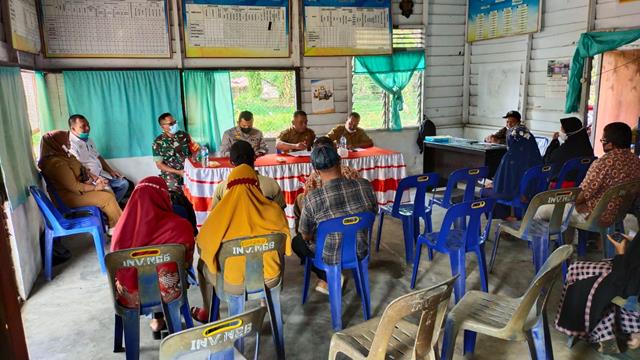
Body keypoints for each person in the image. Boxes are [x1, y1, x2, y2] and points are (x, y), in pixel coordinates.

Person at [191, 164, 291, 322]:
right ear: (256, 184)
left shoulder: (218, 215)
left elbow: (202, 247)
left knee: (201, 265)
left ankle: (211, 314)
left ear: (229, 187)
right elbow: (286, 247)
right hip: (270, 279)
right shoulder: (274, 210)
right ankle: (267, 304)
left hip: (232, 284)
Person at [110, 176, 195, 337]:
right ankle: (170, 313)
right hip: (170, 292)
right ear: (164, 197)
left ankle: (156, 319)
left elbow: (116, 270)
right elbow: (187, 262)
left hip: (130, 296)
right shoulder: (181, 226)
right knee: (175, 270)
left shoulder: (120, 231)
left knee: (144, 274)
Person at [294, 143, 378, 294]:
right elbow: (373, 212)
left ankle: (328, 276)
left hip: (329, 256)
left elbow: (306, 235)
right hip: (360, 249)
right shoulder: (365, 185)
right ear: (340, 161)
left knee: (297, 241)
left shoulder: (313, 198)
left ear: (315, 169)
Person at [535, 122, 640, 226]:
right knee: (566, 210)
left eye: (603, 140)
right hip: (619, 214)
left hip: (594, 215)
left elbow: (582, 195)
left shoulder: (604, 163)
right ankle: (569, 240)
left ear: (610, 144)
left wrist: (564, 202)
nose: (602, 143)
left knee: (540, 210)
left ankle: (545, 242)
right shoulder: (636, 161)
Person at [555, 232, 640, 352]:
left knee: (577, 271)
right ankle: (607, 328)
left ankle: (582, 328)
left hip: (627, 279)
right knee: (582, 269)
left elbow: (625, 283)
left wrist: (621, 252)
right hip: (628, 271)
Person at [38, 130, 122, 230]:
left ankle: (114, 225)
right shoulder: (55, 164)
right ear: (57, 143)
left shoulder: (65, 155)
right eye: (66, 140)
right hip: (68, 197)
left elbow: (81, 167)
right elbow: (74, 186)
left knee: (108, 193)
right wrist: (95, 188)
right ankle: (117, 228)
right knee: (106, 199)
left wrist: (95, 178)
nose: (69, 142)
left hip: (77, 192)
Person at [293, 136, 361, 232]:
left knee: (300, 200)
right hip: (355, 227)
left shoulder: (314, 178)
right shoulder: (352, 173)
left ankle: (299, 232)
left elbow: (308, 205)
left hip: (327, 234)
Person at [67, 114, 132, 203]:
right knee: (108, 191)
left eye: (88, 125)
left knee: (124, 184)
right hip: (89, 179)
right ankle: (110, 208)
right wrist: (95, 178)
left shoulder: (89, 140)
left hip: (101, 174)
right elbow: (77, 166)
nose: (87, 128)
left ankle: (112, 206)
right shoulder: (70, 144)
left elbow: (98, 156)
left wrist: (111, 171)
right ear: (73, 129)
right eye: (83, 126)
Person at [152, 112, 199, 231]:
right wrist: (177, 172)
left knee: (196, 191)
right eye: (171, 123)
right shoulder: (158, 142)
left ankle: (197, 222)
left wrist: (194, 159)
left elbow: (195, 149)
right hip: (171, 174)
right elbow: (159, 165)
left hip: (188, 170)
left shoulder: (184, 135)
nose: (174, 124)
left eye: (174, 122)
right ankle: (182, 225)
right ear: (163, 126)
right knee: (177, 196)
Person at [210, 140, 285, 210]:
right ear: (255, 157)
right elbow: (280, 215)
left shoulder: (222, 188)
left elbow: (215, 216)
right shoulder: (271, 184)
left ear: (231, 162)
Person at [491, 111, 542, 200]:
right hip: (533, 194)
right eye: (507, 122)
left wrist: (494, 182)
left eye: (512, 122)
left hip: (514, 195)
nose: (509, 124)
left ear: (518, 122)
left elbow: (501, 186)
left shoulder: (510, 158)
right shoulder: (533, 152)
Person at [543, 116, 594, 181]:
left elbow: (547, 162)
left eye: (562, 129)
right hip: (580, 183)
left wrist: (553, 143)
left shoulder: (564, 151)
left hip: (562, 186)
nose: (560, 131)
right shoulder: (587, 147)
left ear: (569, 131)